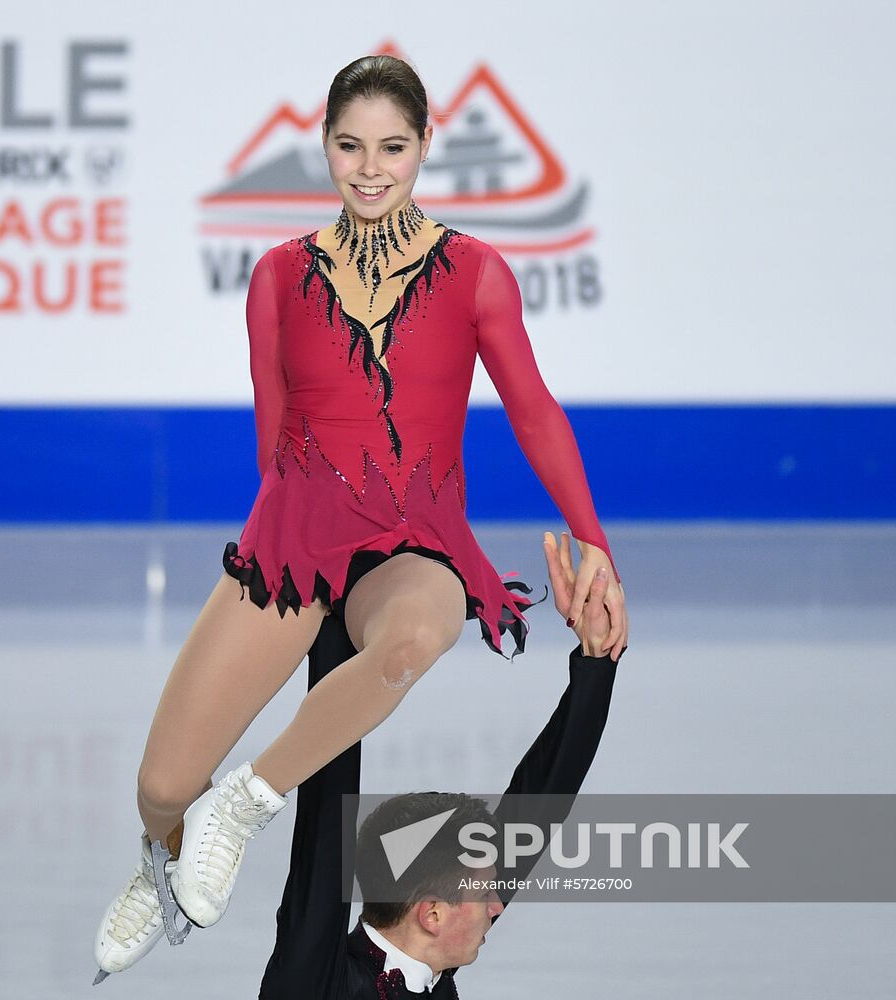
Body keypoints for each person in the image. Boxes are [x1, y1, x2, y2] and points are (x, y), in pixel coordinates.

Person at [93, 53, 627, 982]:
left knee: (420, 632)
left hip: (415, 543)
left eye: (391, 147)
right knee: (161, 786)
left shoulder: (476, 273)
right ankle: (163, 855)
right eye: (350, 147)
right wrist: (285, 577)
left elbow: (535, 411)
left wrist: (595, 542)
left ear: (425, 145)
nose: (370, 168)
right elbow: (272, 444)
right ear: (325, 146)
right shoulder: (277, 277)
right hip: (299, 540)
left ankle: (245, 804)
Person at [259, 531, 620, 998]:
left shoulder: (435, 942)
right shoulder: (313, 983)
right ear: (431, 914)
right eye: (485, 894)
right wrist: (337, 622)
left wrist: (596, 659)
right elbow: (324, 808)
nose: (497, 906)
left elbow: (539, 803)